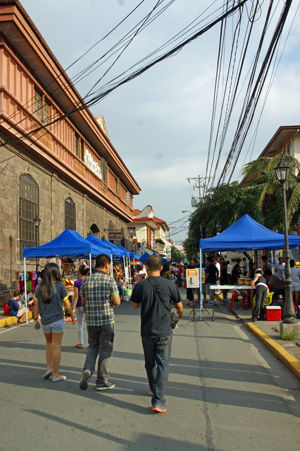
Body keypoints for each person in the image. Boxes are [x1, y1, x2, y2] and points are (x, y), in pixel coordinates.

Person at [131, 255, 183, 414]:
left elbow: (134, 305)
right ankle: (159, 400)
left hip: (146, 331)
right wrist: (179, 313)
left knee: (149, 363)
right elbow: (179, 306)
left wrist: (139, 286)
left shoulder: (141, 285)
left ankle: (154, 388)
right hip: (164, 331)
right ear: (161, 268)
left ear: (146, 267)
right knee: (163, 364)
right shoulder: (169, 284)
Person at [79, 254, 121, 392]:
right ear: (107, 265)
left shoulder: (86, 281)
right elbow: (117, 301)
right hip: (107, 320)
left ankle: (88, 369)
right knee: (105, 349)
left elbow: (83, 303)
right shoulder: (109, 280)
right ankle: (102, 380)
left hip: (91, 320)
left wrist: (89, 312)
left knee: (93, 346)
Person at [33, 263, 74, 382]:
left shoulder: (39, 287)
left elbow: (35, 304)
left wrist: (36, 318)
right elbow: (66, 303)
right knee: (56, 346)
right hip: (58, 320)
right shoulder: (60, 286)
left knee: (48, 343)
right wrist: (71, 314)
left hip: (45, 320)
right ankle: (55, 374)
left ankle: (49, 368)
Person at [72, 264, 90, 349]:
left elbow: (76, 296)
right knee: (89, 324)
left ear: (79, 272)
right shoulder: (89, 281)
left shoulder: (76, 282)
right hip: (88, 305)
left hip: (79, 305)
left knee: (80, 325)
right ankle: (90, 343)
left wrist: (73, 308)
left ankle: (81, 342)